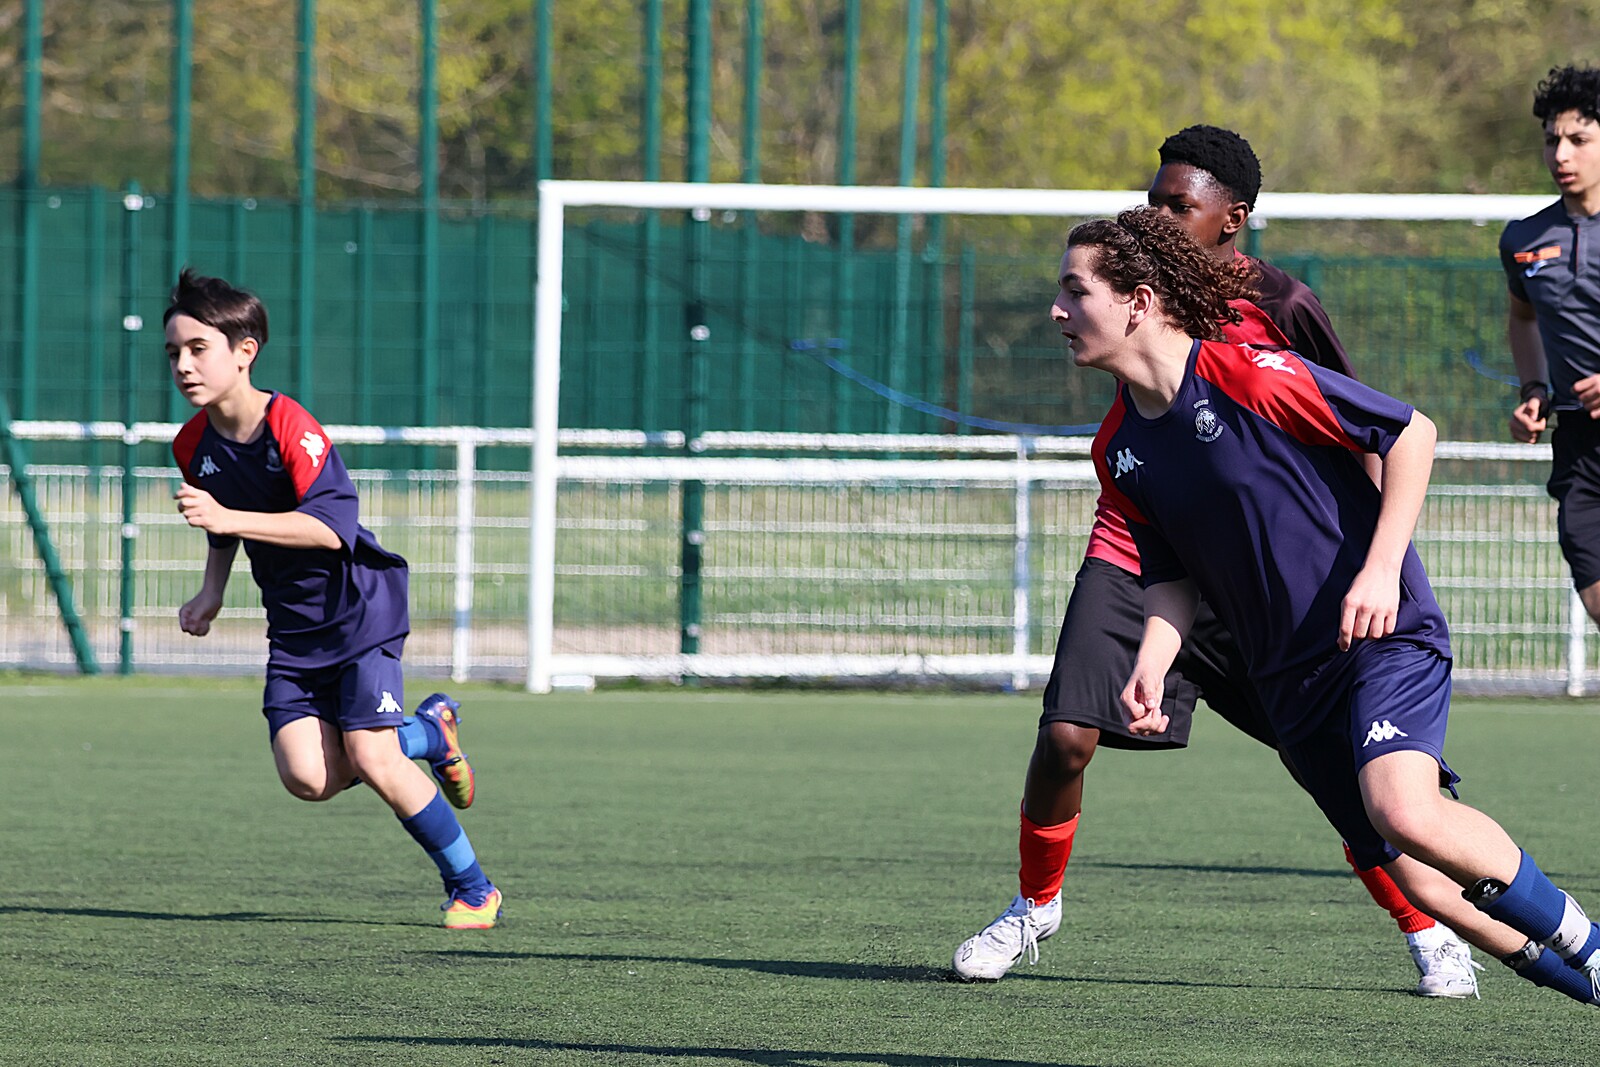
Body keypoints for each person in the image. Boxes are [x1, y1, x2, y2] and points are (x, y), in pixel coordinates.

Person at [953, 126, 1475, 996]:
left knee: (1332, 766)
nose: (1157, 216)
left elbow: (1360, 430)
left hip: (1264, 567)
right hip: (1144, 547)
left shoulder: (1283, 305)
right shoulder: (1129, 289)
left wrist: (1374, 562)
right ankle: (1033, 906)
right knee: (1066, 734)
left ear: (1231, 219)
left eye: (1178, 205)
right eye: (1152, 199)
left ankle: (1427, 926)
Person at [1061, 204, 1600, 1007]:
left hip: (1379, 634)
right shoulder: (1119, 448)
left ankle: (1594, 948)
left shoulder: (1246, 374)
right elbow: (1170, 573)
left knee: (1403, 808)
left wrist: (1381, 570)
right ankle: (1586, 986)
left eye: (1075, 291)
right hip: (1289, 683)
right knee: (1417, 875)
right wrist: (1152, 660)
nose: (1058, 310)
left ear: (1138, 302)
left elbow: (1411, 433)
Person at [164, 268, 502, 929]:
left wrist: (227, 517)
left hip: (360, 612)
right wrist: (211, 592)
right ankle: (430, 732)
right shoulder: (193, 444)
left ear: (245, 350)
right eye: (174, 352)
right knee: (308, 779)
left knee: (372, 756)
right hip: (295, 630)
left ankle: (474, 887)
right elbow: (220, 525)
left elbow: (329, 527)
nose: (183, 365)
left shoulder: (292, 427)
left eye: (198, 349)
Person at [1504, 66, 1600, 634]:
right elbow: (1523, 319)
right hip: (1579, 444)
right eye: (1551, 140)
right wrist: (1533, 389)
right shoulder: (1524, 239)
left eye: (1578, 139)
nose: (1561, 154)